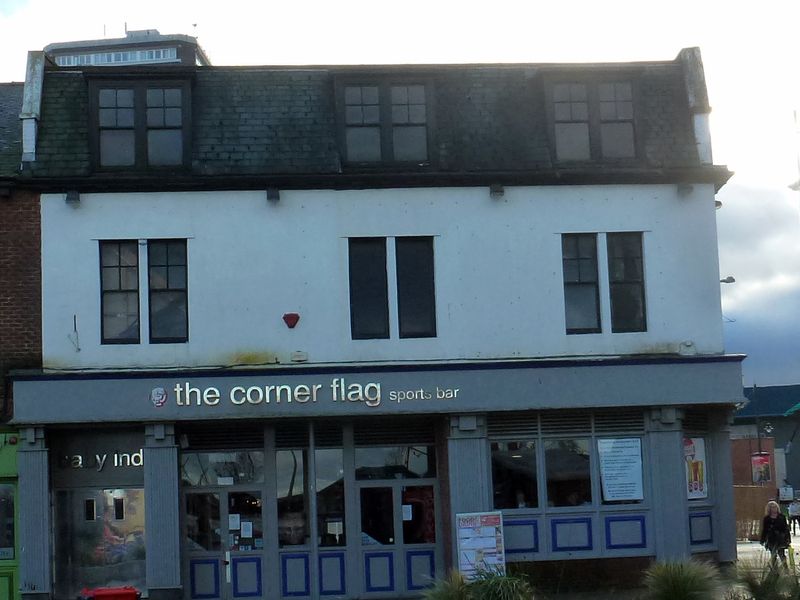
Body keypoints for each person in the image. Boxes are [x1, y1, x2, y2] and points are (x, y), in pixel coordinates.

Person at [761, 500, 791, 569]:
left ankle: (786, 570)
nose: (774, 509)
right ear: (769, 509)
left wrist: (788, 539)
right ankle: (775, 571)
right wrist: (762, 539)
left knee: (782, 554)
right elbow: (765, 529)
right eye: (772, 507)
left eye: (775, 507)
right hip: (772, 538)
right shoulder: (767, 518)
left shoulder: (782, 517)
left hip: (780, 538)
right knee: (773, 555)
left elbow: (786, 528)